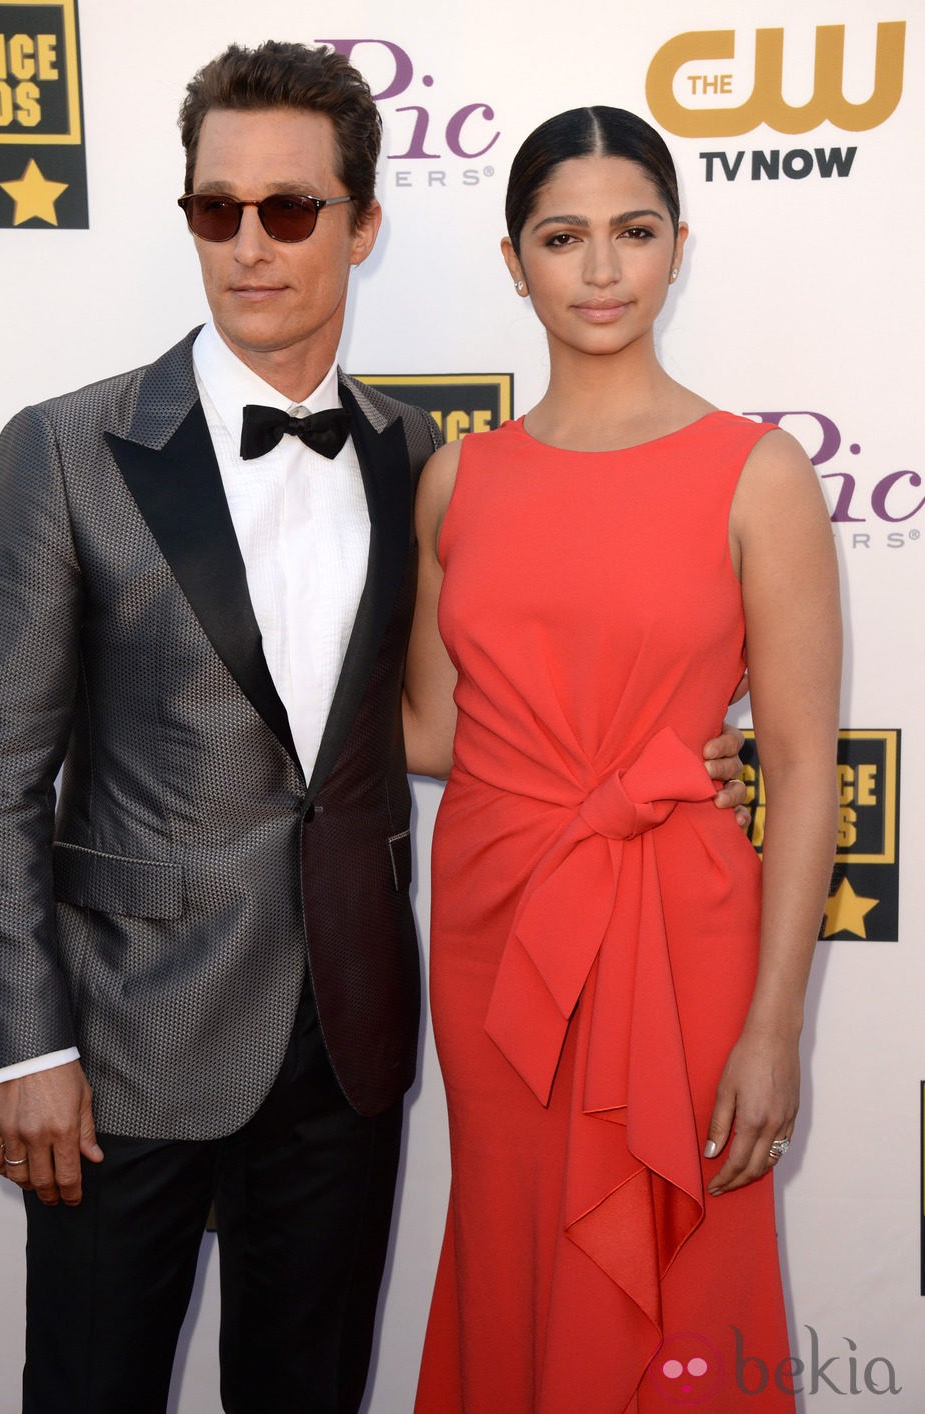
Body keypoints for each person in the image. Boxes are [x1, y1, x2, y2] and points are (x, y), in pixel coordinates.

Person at [0, 42, 749, 1413]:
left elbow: (459, 715)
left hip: (344, 1047)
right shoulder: (64, 448)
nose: (250, 245)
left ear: (363, 225)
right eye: (217, 210)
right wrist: (22, 1048)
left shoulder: (418, 461)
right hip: (120, 1049)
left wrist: (665, 767)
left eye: (292, 209)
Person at [403, 106, 841, 1413]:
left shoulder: (757, 472)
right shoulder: (456, 479)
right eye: (564, 237)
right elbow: (429, 729)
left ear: (678, 248)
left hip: (678, 918)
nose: (601, 271)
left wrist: (775, 1027)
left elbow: (807, 771)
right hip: (497, 931)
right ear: (512, 260)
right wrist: (250, 668)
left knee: (684, 1263)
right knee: (513, 1241)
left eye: (633, 233)